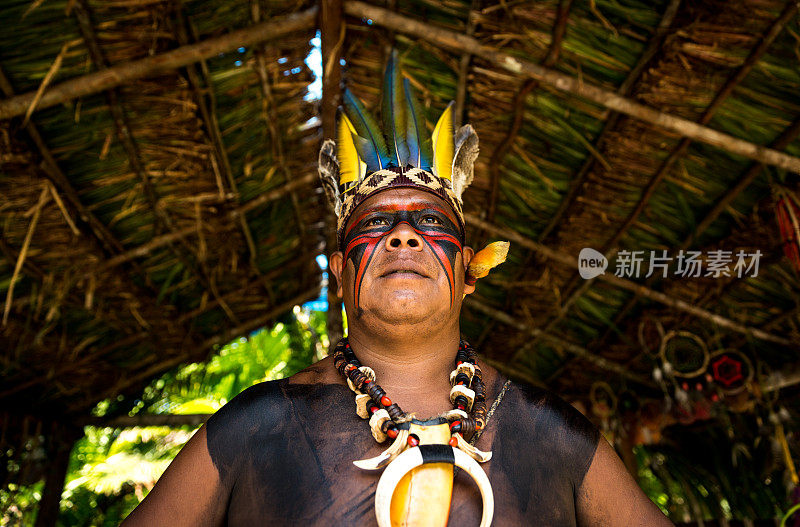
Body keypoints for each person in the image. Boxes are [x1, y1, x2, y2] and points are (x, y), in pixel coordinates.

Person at [122, 55, 673, 527]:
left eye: (429, 223)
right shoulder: (257, 425)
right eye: (374, 224)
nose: (403, 234)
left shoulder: (553, 433)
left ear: (467, 271)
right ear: (340, 274)